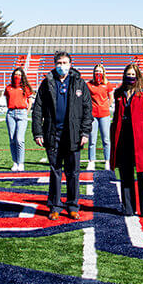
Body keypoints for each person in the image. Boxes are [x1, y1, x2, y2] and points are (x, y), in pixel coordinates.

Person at [32, 51, 92, 220]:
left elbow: (88, 110)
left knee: (73, 172)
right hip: (53, 133)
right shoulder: (47, 83)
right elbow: (37, 109)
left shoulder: (79, 83)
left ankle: (73, 205)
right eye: (59, 63)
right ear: (54, 64)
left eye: (65, 62)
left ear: (70, 64)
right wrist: (38, 132)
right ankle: (55, 206)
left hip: (73, 135)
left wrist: (85, 132)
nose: (62, 66)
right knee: (55, 171)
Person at [111, 63, 143, 218]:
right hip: (123, 137)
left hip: (140, 138)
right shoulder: (119, 93)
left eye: (133, 74)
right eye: (128, 74)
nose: (130, 77)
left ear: (138, 76)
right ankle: (128, 207)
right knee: (125, 173)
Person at [4, 67, 32, 172]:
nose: (17, 77)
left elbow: (29, 102)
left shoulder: (26, 88)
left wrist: (26, 113)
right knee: (12, 139)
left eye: (20, 75)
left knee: (20, 139)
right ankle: (15, 162)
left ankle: (21, 162)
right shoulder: (8, 88)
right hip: (11, 113)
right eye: (16, 74)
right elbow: (7, 100)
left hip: (22, 113)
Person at [86, 64, 113, 171]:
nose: (98, 73)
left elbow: (111, 98)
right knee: (92, 140)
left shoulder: (107, 84)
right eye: (96, 71)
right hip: (92, 115)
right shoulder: (89, 84)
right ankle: (91, 161)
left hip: (104, 115)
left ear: (103, 72)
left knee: (106, 139)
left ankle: (107, 161)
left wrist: (105, 106)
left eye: (100, 71)